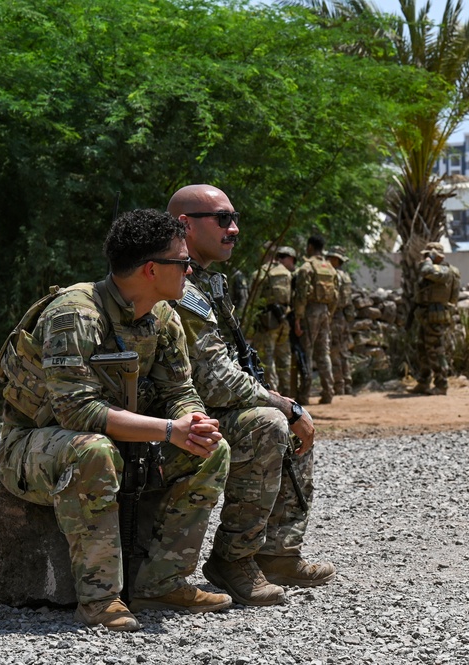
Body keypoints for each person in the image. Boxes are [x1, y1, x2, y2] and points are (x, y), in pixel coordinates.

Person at [0, 208, 232, 632]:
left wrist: (192, 422)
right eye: (182, 260)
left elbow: (180, 392)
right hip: (33, 446)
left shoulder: (164, 315)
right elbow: (76, 412)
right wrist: (169, 430)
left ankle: (162, 582)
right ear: (152, 269)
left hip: (116, 439)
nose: (190, 268)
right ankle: (100, 600)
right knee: (93, 451)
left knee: (210, 449)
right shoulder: (75, 313)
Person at [167, 184, 336, 607]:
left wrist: (277, 398)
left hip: (204, 403)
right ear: (185, 224)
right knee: (272, 423)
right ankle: (233, 558)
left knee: (293, 423)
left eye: (234, 218)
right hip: (174, 411)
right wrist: (281, 404)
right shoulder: (178, 282)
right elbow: (214, 380)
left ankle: (277, 553)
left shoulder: (208, 280)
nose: (234, 229)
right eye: (222, 219)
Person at [292, 235, 339, 404]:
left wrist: (297, 318)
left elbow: (302, 295)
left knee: (307, 353)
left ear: (310, 247)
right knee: (323, 352)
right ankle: (328, 392)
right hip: (325, 312)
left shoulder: (307, 267)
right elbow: (335, 296)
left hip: (309, 312)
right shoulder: (330, 268)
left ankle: (304, 395)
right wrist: (329, 313)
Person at [411, 241, 461, 395]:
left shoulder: (446, 271)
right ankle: (424, 381)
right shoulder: (434, 269)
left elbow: (426, 270)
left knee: (436, 351)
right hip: (426, 315)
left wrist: (428, 260)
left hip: (436, 317)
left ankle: (441, 384)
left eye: (428, 254)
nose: (425, 257)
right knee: (422, 349)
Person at [250, 245, 297, 398]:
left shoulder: (261, 273)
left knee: (267, 359)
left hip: (267, 322)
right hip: (284, 320)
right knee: (284, 358)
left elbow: (254, 301)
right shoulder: (286, 273)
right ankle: (288, 394)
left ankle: (274, 396)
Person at [325, 246, 354, 396]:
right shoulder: (346, 276)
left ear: (336, 260)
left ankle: (339, 386)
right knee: (344, 351)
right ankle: (347, 383)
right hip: (343, 317)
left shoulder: (335, 275)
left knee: (334, 352)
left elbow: (333, 298)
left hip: (335, 316)